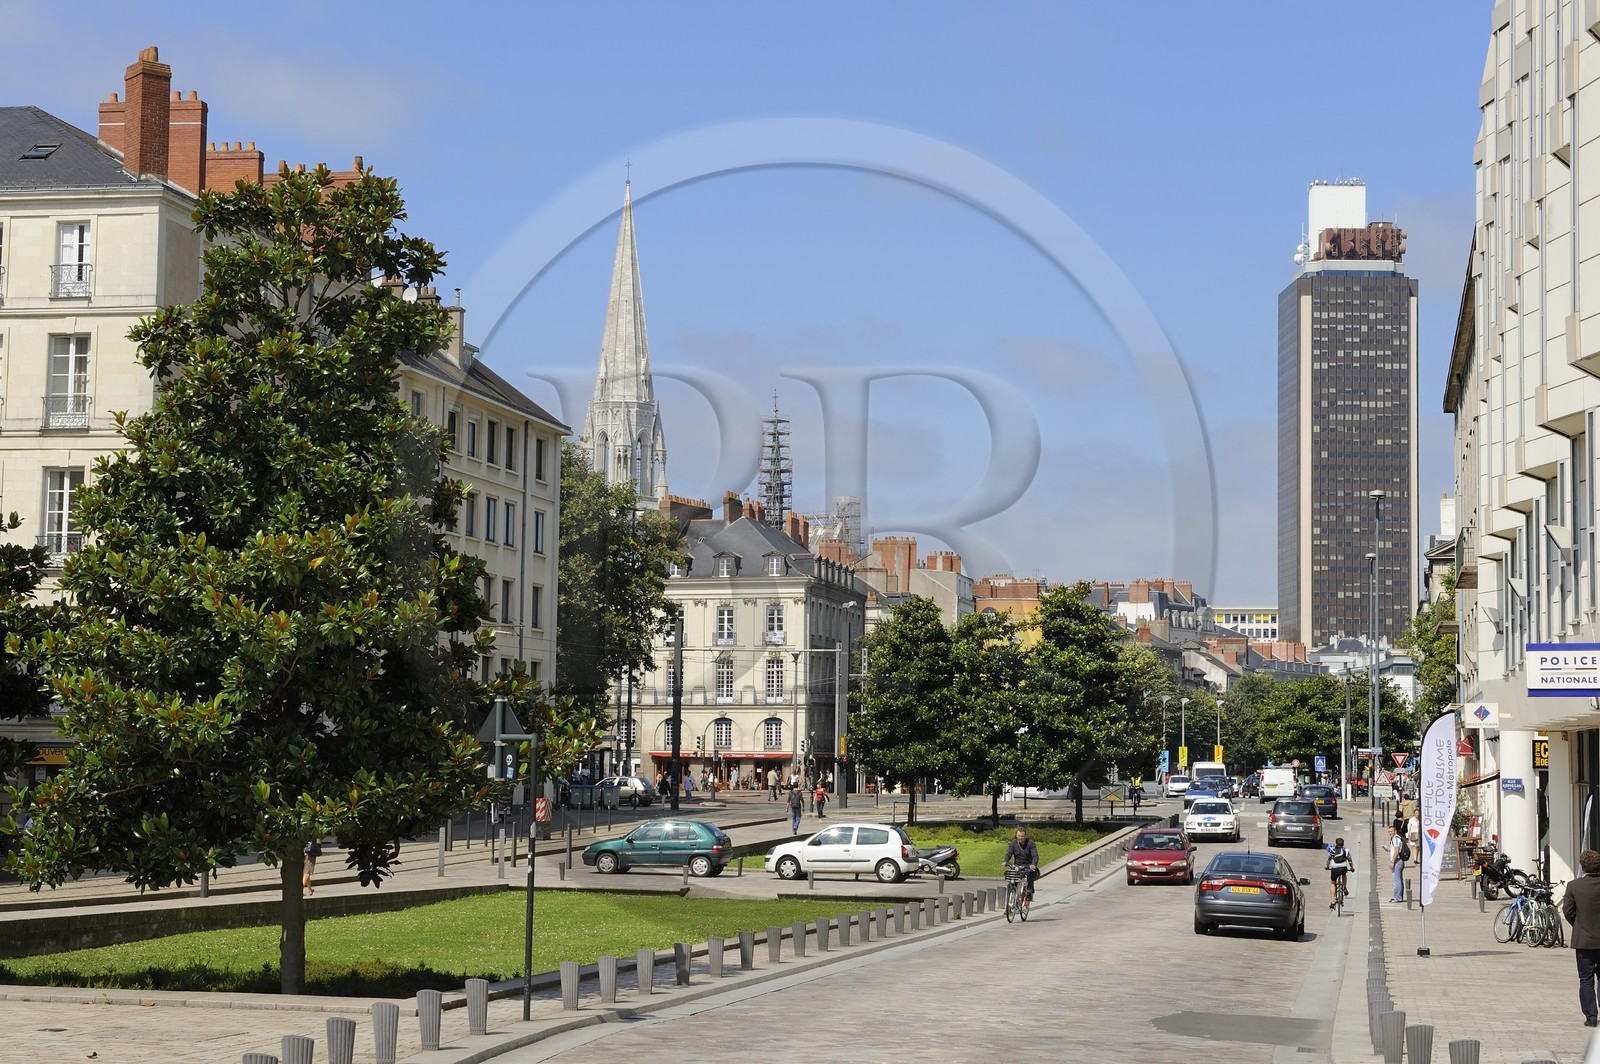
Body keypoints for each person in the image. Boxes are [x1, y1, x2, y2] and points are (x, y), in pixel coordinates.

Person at [1562, 849, 1600, 1027]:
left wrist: (1579, 925)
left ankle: (1591, 1017)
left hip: (1584, 940)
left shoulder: (1574, 886)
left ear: (1582, 867)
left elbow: (1568, 911)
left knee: (1586, 979)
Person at [1004, 827, 1040, 902]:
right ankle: (1008, 903)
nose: (1020, 838)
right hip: (1017, 866)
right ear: (1016, 835)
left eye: (1022, 836)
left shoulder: (1030, 843)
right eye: (1019, 836)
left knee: (1029, 873)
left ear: (1025, 836)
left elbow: (1035, 855)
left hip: (1027, 865)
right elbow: (1009, 853)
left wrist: (1034, 864)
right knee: (1011, 883)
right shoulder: (1013, 843)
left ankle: (1029, 892)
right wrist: (1006, 861)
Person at [1326, 836, 1355, 908]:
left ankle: (1333, 900)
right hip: (1343, 868)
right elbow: (1350, 860)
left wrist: (1327, 866)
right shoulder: (1346, 850)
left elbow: (1328, 860)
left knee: (1333, 882)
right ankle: (1344, 887)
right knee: (1344, 874)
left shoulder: (1332, 850)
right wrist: (1351, 868)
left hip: (1334, 869)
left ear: (1336, 843)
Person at [1388, 824, 1407, 902]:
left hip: (1397, 861)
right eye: (1389, 831)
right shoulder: (1397, 838)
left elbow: (1396, 851)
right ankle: (1398, 896)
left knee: (1397, 880)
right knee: (1399, 879)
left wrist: (1392, 861)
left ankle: (1398, 897)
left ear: (1395, 831)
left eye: (1391, 831)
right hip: (1398, 860)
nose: (1390, 833)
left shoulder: (1395, 839)